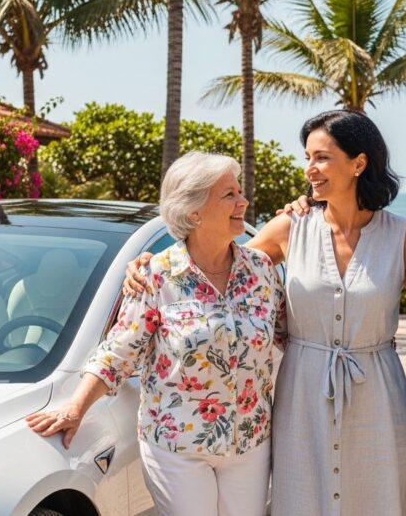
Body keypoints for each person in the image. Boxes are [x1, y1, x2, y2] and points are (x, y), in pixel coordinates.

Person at [125, 110, 406, 515]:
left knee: (376, 499)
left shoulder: (403, 235)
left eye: (321, 157)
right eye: (307, 157)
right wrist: (147, 266)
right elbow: (211, 265)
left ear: (359, 162)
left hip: (377, 395)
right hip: (302, 392)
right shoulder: (289, 228)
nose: (310, 169)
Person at [26, 152, 286, 516]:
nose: (243, 202)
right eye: (229, 194)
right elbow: (118, 352)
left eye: (240, 192)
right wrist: (75, 408)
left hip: (250, 442)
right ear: (193, 210)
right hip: (177, 445)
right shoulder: (156, 275)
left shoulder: (261, 270)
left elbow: (291, 335)